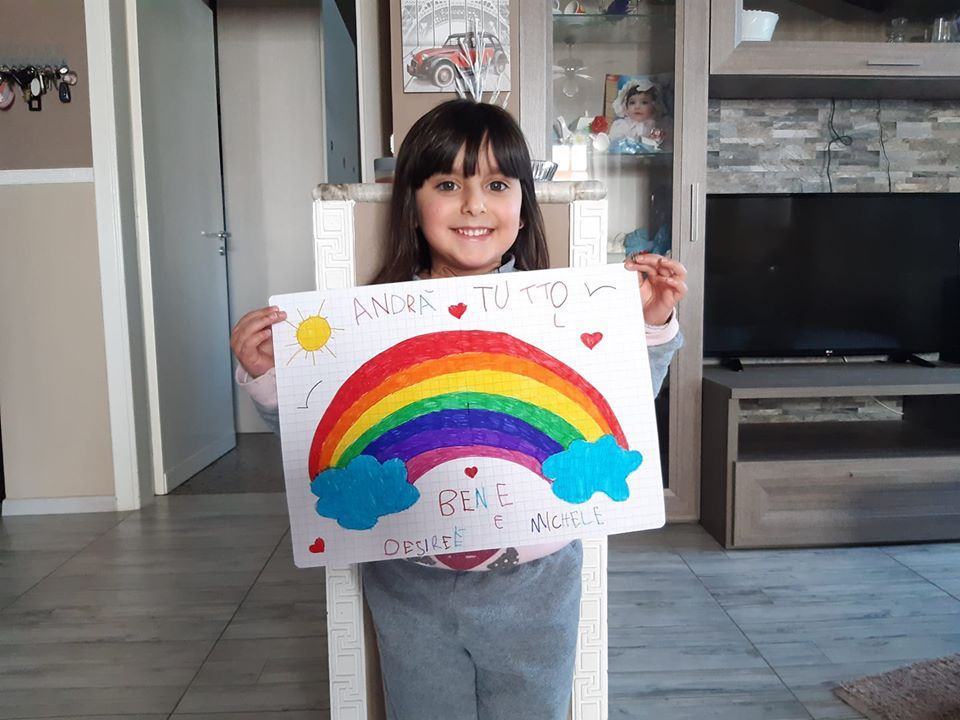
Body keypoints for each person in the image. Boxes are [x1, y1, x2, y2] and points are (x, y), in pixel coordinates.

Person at [230, 99, 686, 720]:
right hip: (410, 583)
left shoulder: (563, 310)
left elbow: (622, 412)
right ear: (413, 206)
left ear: (523, 206)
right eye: (448, 185)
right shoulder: (366, 320)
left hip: (535, 583)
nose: (474, 205)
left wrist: (651, 326)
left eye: (497, 185)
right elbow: (318, 445)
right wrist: (268, 377)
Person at [608, 77, 666, 148]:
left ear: (654, 106)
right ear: (625, 107)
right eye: (632, 103)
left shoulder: (658, 125)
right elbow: (615, 144)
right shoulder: (621, 125)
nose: (637, 107)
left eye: (644, 102)